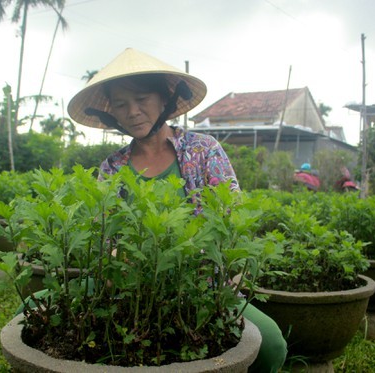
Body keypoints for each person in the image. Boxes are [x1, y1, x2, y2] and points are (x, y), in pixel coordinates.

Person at [68, 48, 287, 373]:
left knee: (270, 344)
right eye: (120, 104)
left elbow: (233, 219)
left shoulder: (204, 151)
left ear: (164, 99)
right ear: (110, 112)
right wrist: (116, 260)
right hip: (127, 286)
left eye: (141, 98)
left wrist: (226, 270)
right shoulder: (112, 167)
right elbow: (103, 237)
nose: (132, 112)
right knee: (27, 312)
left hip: (202, 286)